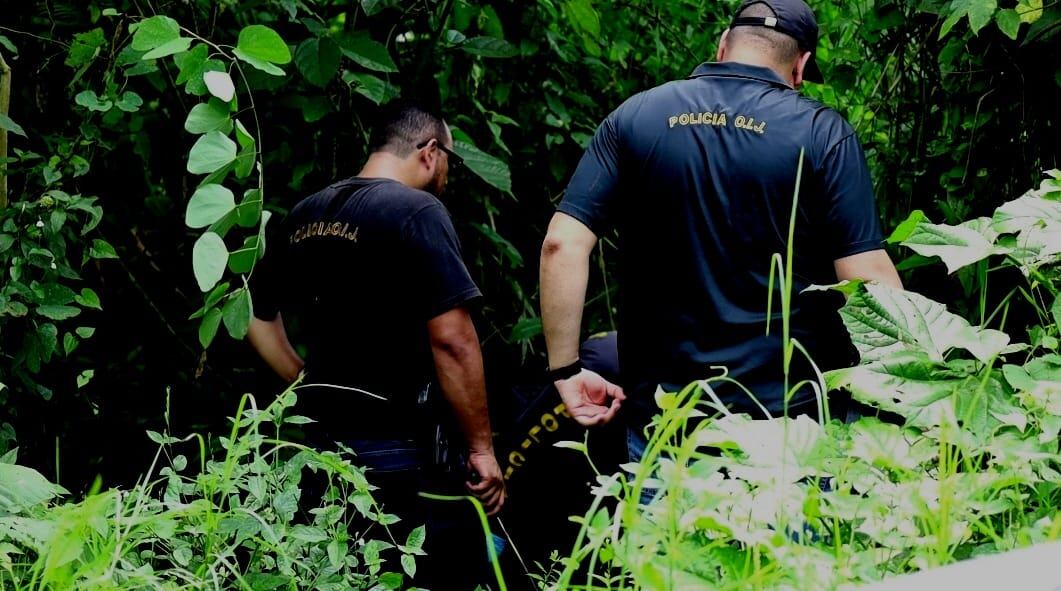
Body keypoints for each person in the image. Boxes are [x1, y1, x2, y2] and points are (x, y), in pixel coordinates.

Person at [538, 0, 903, 458]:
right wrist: (911, 398)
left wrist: (565, 370)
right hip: (789, 427)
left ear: (723, 45)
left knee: (666, 532)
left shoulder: (635, 116)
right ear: (801, 66)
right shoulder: (823, 133)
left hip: (666, 423)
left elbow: (561, 244)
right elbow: (868, 279)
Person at [247, 101, 504, 588]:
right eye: (449, 159)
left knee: (339, 574)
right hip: (400, 449)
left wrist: (306, 381)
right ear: (430, 152)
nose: (448, 172)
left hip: (317, 446)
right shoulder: (418, 211)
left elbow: (254, 317)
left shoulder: (307, 212)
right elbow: (453, 340)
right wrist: (482, 450)